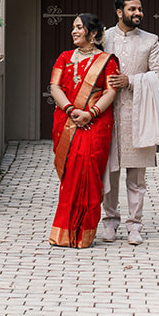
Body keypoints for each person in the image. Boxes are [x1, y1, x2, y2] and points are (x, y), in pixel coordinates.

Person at [99, 0, 159, 245]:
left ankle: (135, 225)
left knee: (137, 175)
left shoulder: (151, 40)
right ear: (119, 12)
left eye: (140, 9)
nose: (138, 13)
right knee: (109, 171)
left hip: (139, 114)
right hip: (108, 114)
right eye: (132, 9)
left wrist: (131, 81)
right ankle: (110, 222)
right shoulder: (104, 38)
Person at [48, 12, 120, 248]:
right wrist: (70, 109)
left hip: (95, 124)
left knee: (89, 176)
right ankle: (63, 233)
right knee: (70, 177)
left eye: (79, 27)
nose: (74, 31)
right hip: (68, 122)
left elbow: (110, 92)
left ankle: (84, 234)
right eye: (73, 27)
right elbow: (55, 86)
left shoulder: (108, 61)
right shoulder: (64, 57)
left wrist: (91, 113)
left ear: (94, 34)